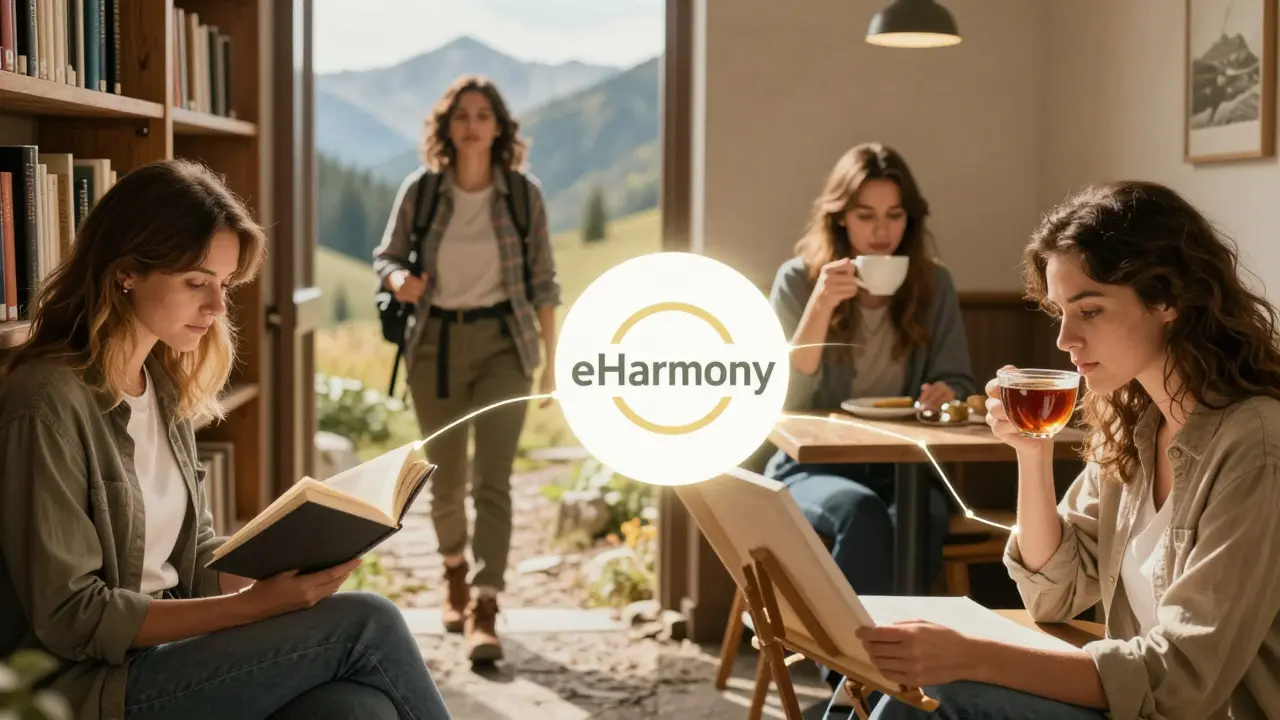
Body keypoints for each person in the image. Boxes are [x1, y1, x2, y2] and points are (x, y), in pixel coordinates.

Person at [0, 159, 453, 720]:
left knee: (355, 709)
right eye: (196, 283)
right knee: (370, 622)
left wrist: (296, 562)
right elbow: (76, 616)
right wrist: (251, 608)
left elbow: (192, 554)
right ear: (126, 273)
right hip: (94, 686)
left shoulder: (158, 385)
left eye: (222, 285)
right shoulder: (45, 403)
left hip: (165, 654)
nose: (216, 309)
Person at [860, 180, 1280, 720]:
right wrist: (1030, 451)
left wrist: (974, 657)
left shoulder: (1257, 448)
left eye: (1090, 310)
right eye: (1059, 311)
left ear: (1168, 299)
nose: (1064, 339)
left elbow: (1181, 679)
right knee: (897, 690)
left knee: (942, 697)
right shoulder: (1134, 424)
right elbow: (1053, 594)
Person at [372, 74, 561, 664]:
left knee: (494, 481)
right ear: (447, 128)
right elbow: (386, 254)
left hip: (506, 343)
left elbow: (545, 282)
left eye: (484, 115)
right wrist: (398, 278)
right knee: (445, 480)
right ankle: (454, 567)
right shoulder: (423, 191)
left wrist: (553, 363)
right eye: (462, 116)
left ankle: (486, 603)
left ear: (500, 127)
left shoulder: (523, 195)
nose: (472, 125)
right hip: (437, 348)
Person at [765, 142, 976, 609]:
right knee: (861, 513)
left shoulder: (932, 285)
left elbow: (960, 382)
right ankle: (856, 673)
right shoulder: (799, 281)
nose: (882, 232)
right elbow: (783, 399)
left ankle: (886, 664)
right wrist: (821, 304)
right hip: (810, 467)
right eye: (866, 216)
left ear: (910, 220)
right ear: (840, 217)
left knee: (918, 517)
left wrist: (946, 392)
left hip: (907, 470)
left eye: (895, 215)